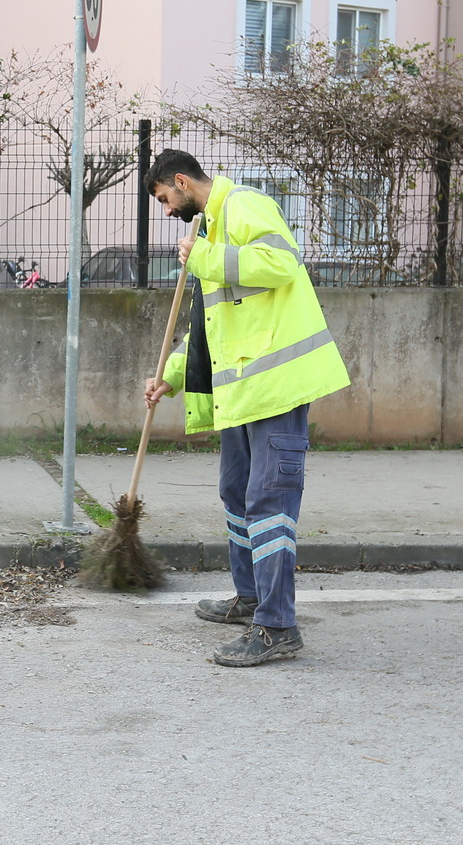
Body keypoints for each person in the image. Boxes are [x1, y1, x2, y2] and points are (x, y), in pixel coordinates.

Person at [142, 148, 351, 667]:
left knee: (268, 504)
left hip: (275, 390)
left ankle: (278, 626)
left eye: (166, 199)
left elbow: (283, 262)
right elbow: (212, 327)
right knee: (235, 492)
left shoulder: (246, 206)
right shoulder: (211, 229)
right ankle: (250, 597)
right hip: (241, 394)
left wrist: (205, 259)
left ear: (183, 182)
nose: (167, 211)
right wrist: (171, 376)